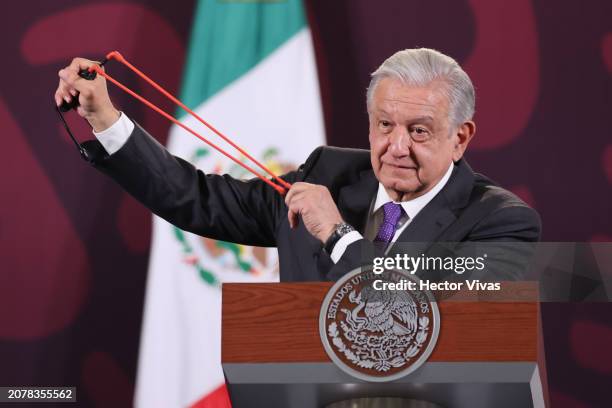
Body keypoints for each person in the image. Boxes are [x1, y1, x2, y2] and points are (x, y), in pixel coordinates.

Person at [54, 48, 541, 282]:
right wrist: (106, 120)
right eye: (384, 125)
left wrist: (337, 234)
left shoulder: (501, 223)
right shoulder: (326, 174)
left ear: (461, 138)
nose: (396, 147)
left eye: (418, 131)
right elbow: (198, 201)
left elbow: (414, 314)